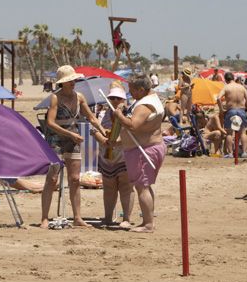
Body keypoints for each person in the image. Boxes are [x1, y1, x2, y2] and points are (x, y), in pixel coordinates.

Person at [39, 65, 104, 228]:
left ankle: (77, 217)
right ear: (63, 83)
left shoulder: (79, 97)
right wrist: (70, 134)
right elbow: (50, 123)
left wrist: (103, 132)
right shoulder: (55, 98)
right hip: (56, 140)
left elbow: (91, 117)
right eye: (70, 80)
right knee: (52, 179)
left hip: (73, 141)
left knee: (75, 179)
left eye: (74, 80)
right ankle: (44, 218)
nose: (73, 82)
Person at [111, 76, 165, 233]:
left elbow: (133, 125)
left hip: (144, 149)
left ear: (141, 90)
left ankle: (148, 224)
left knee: (142, 187)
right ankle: (147, 220)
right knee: (145, 186)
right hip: (147, 146)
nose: (130, 93)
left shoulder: (144, 105)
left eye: (132, 90)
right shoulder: (151, 99)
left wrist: (119, 115)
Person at [91, 86, 134, 229]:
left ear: (124, 100)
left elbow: (132, 133)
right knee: (109, 188)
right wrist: (103, 140)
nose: (115, 101)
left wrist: (117, 142)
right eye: (112, 98)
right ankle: (108, 217)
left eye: (118, 98)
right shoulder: (103, 114)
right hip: (106, 156)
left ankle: (126, 218)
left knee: (126, 187)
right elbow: (94, 130)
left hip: (123, 156)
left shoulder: (129, 115)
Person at [216, 72, 247, 152]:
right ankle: (244, 152)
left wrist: (221, 109)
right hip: (241, 110)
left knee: (229, 133)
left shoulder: (226, 87)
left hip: (231, 111)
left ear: (225, 79)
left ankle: (230, 153)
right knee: (242, 132)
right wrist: (246, 106)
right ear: (233, 78)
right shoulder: (241, 87)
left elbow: (218, 98)